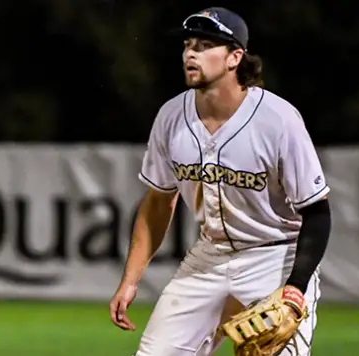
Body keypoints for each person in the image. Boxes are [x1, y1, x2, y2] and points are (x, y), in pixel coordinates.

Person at [109, 7, 332, 356]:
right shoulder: (171, 117)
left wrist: (295, 288)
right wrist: (130, 280)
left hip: (275, 258)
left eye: (205, 45)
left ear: (235, 57)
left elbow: (317, 213)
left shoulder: (278, 120)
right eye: (188, 45)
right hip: (208, 258)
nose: (191, 53)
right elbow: (158, 202)